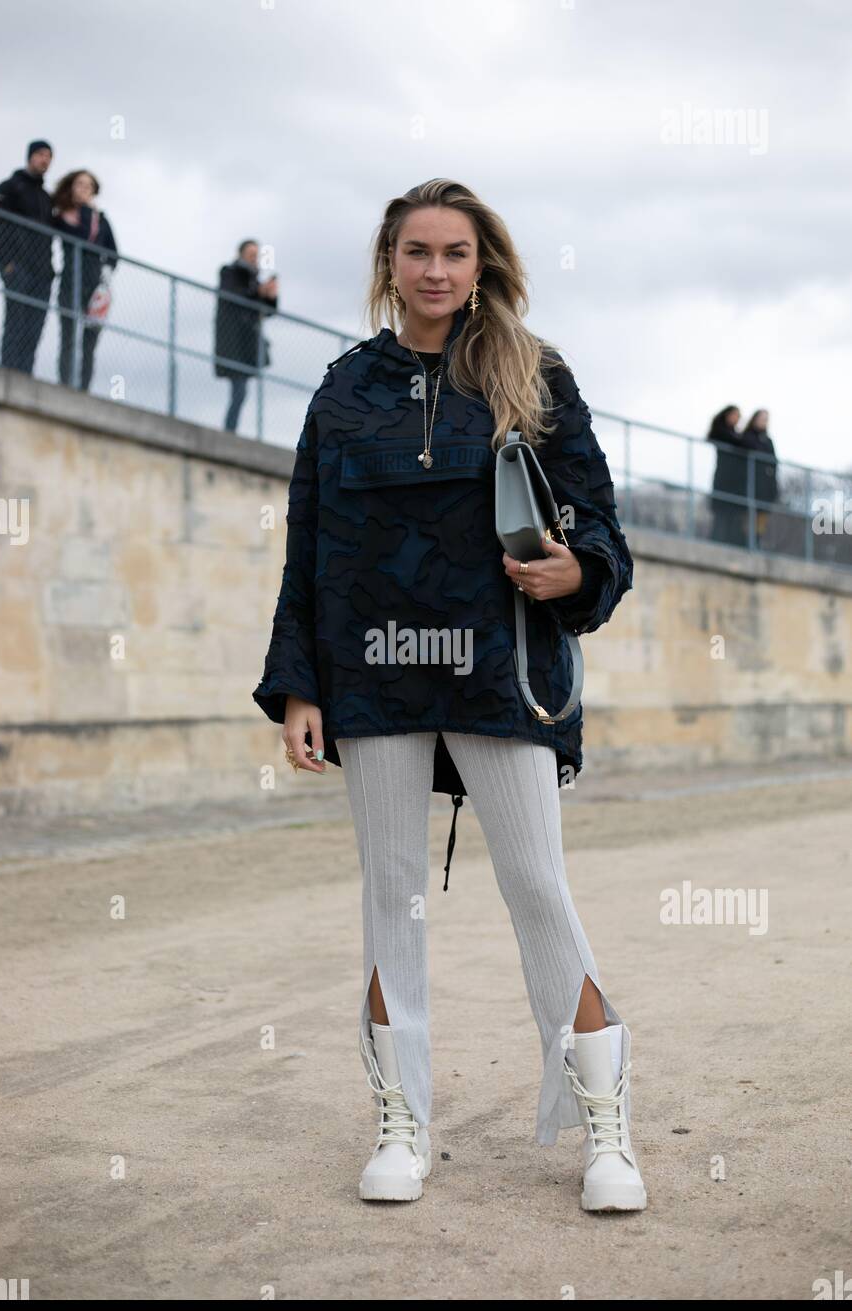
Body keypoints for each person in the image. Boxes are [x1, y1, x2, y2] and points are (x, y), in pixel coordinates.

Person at [252, 178, 646, 1213]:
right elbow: (308, 551)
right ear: (389, 263)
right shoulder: (341, 390)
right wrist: (299, 685)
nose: (434, 270)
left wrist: (576, 570)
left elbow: (600, 525)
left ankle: (604, 1132)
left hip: (497, 670)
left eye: (454, 253)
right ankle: (404, 1124)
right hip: (372, 672)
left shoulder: (532, 373)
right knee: (393, 900)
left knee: (536, 889)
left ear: (481, 265)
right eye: (416, 251)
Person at [0, 140, 55, 373]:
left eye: (48, 156)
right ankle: (9, 373)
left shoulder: (46, 198)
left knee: (34, 327)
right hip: (17, 268)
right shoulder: (10, 187)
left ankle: (25, 377)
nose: (44, 160)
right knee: (16, 322)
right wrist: (7, 263)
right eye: (39, 154)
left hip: (42, 274)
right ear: (29, 156)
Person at [51, 169, 119, 392]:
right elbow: (80, 235)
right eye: (80, 184)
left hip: (95, 286)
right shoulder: (63, 217)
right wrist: (86, 211)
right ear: (72, 187)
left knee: (89, 343)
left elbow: (113, 252)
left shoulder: (102, 220)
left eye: (89, 186)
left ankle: (83, 389)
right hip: (70, 282)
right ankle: (65, 386)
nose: (84, 189)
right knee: (68, 337)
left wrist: (106, 275)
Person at [214, 240, 278, 432]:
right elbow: (234, 295)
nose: (254, 257)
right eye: (251, 253)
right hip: (232, 342)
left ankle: (231, 429)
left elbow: (267, 312)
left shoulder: (254, 280)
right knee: (239, 390)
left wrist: (271, 297)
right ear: (240, 254)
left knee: (240, 391)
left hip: (247, 344)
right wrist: (258, 291)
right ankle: (230, 431)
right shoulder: (229, 272)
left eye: (256, 254)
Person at [738, 409, 778, 550]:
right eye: (762, 418)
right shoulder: (747, 437)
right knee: (747, 519)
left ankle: (756, 544)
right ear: (754, 419)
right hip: (749, 485)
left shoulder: (768, 441)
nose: (764, 422)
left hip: (765, 489)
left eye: (766, 419)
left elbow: (773, 463)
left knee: (761, 521)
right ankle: (745, 544)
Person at [707, 404, 746, 546]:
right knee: (721, 514)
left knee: (733, 515)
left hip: (735, 481)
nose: (737, 419)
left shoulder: (735, 433)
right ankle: (716, 542)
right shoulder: (721, 431)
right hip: (724, 478)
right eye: (735, 415)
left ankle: (729, 542)